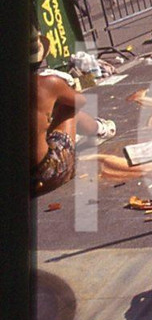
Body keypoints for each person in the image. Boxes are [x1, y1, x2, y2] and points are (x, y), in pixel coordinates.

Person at [31, 29, 115, 196]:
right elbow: (80, 101)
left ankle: (98, 129)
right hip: (45, 174)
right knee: (69, 108)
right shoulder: (46, 83)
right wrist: (60, 89)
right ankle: (100, 129)